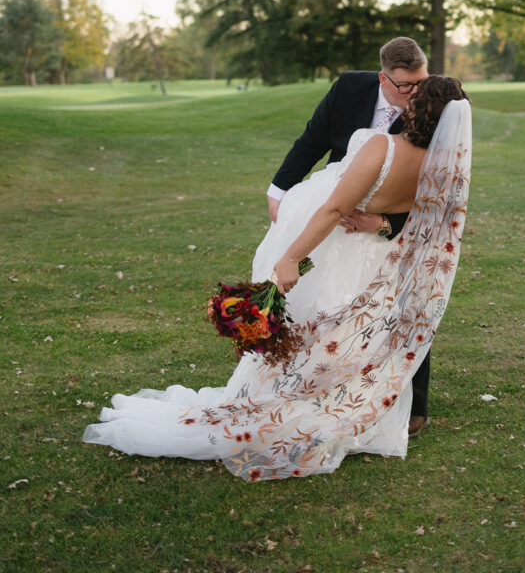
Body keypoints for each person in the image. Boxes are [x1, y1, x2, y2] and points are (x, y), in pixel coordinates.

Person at [83, 76, 472, 481]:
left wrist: (290, 258)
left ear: (416, 108)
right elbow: (427, 222)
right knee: (338, 333)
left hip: (329, 248)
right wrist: (381, 223)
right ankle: (325, 403)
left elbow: (332, 210)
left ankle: (286, 405)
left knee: (309, 325)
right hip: (373, 259)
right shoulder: (442, 167)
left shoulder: (383, 146)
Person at [266, 36, 433, 436]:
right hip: (333, 216)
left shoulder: (433, 108)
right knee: (327, 300)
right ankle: (315, 386)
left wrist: (385, 225)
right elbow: (313, 141)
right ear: (382, 78)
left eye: (420, 82)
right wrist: (279, 191)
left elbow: (431, 193)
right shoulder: (349, 87)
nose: (414, 93)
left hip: (383, 220)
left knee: (398, 305)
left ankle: (414, 404)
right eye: (404, 86)